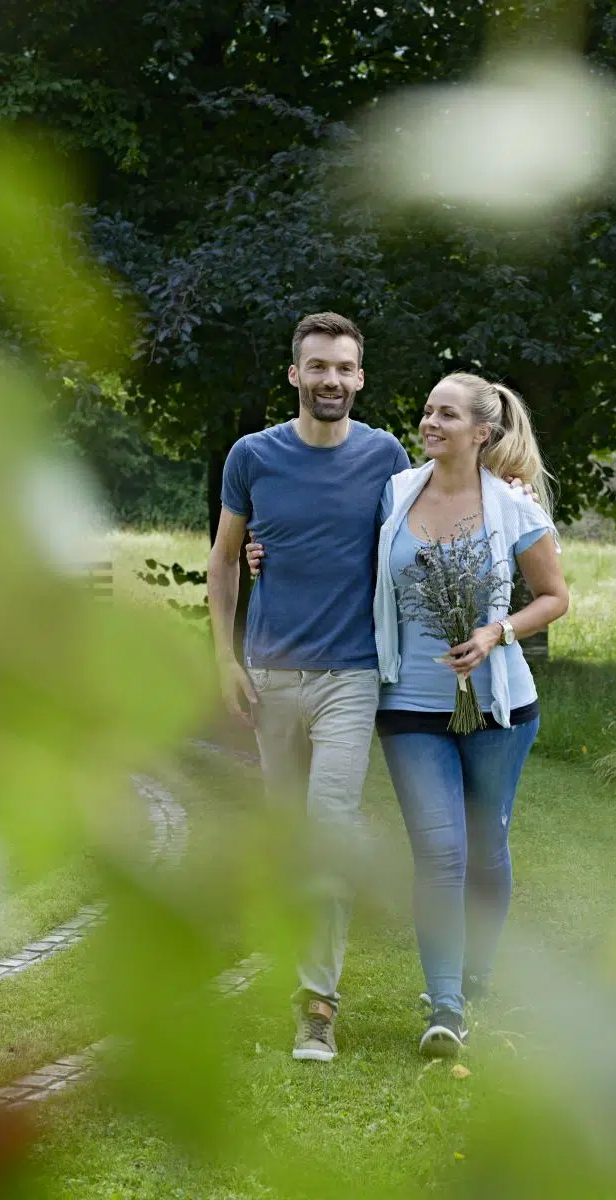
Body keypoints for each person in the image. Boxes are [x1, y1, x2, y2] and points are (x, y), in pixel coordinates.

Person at [206, 311, 409, 1063]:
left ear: (360, 378)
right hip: (269, 676)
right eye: (317, 367)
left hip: (350, 675)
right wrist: (224, 659)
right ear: (295, 375)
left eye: (344, 368)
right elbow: (225, 560)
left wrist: (507, 482)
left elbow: (429, 525)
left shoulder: (387, 456)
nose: (331, 379)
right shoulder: (251, 457)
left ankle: (317, 1005)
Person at [372, 372, 569, 1058]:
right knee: (441, 851)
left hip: (500, 709)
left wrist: (495, 634)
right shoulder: (395, 493)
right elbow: (347, 561)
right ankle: (446, 1006)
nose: (429, 422)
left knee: (484, 849)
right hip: (408, 705)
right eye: (426, 410)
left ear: (482, 432)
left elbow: (554, 597)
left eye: (446, 414)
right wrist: (263, 555)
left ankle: (478, 972)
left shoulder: (512, 506)